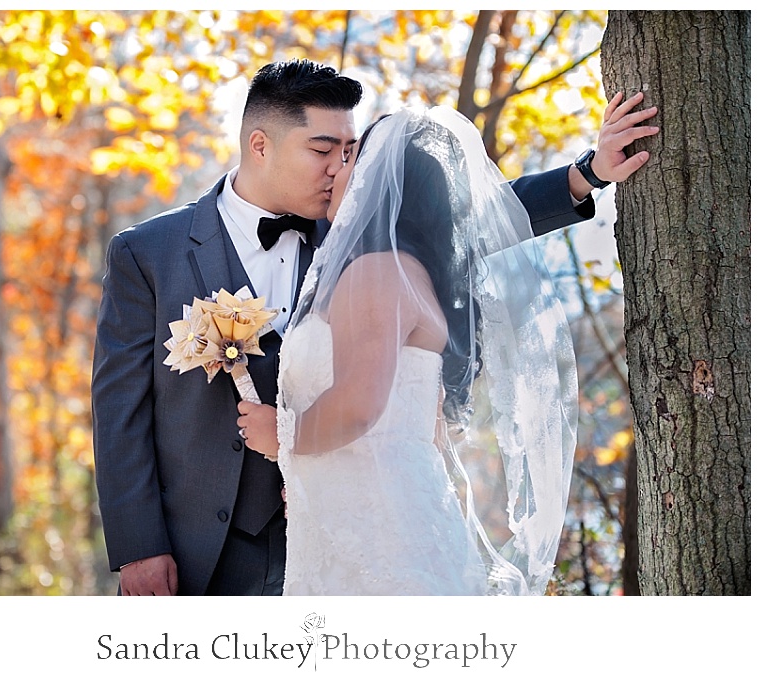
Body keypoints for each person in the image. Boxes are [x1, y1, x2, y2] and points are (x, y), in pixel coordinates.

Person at [92, 58, 659, 595]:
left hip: (345, 531)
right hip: (203, 550)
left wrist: (587, 174)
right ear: (259, 145)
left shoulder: (366, 235)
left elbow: (457, 215)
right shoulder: (148, 254)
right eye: (323, 149)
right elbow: (121, 411)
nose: (341, 166)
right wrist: (138, 546)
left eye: (349, 149)